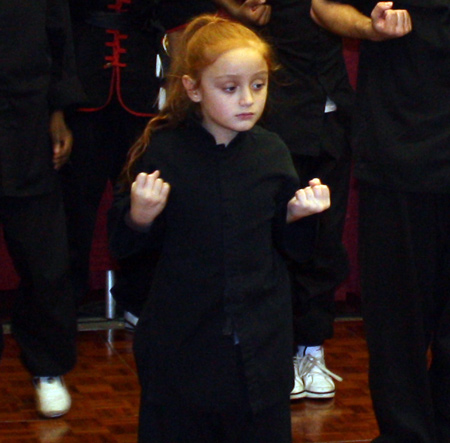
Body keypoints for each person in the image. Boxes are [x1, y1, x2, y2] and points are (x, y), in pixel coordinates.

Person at [109, 14, 331, 442]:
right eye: (229, 88)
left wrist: (298, 217)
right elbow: (127, 246)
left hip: (260, 347)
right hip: (182, 346)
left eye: (259, 85)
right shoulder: (166, 151)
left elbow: (294, 251)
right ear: (193, 88)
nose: (247, 99)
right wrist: (139, 214)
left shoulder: (272, 152)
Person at [311, 1, 450, 441]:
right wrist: (368, 28)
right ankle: (405, 435)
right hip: (397, 149)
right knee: (396, 320)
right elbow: (322, 7)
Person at [203, 0, 353, 400]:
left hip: (331, 111)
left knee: (325, 236)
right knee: (276, 239)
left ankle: (311, 348)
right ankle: (278, 352)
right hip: (279, 111)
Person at [0, 0, 84, 418]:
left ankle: (48, 368)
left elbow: (60, 40)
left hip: (28, 121)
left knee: (45, 262)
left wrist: (58, 112)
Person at [62, 0, 161, 321]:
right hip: (84, 83)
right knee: (76, 206)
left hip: (140, 80)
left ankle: (136, 297)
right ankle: (67, 300)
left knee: (140, 201)